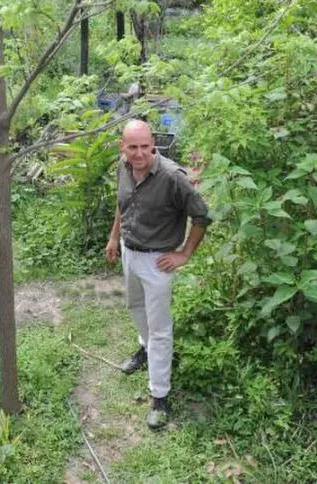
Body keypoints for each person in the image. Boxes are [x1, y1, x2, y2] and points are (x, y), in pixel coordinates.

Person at [105, 119, 211, 430]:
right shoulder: (123, 167)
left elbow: (202, 215)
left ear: (154, 144)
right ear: (122, 147)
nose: (139, 153)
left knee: (161, 327)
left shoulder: (172, 177)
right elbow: (123, 203)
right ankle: (145, 348)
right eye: (132, 147)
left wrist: (185, 254)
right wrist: (114, 237)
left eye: (144, 147)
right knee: (135, 308)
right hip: (130, 251)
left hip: (157, 262)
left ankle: (160, 396)